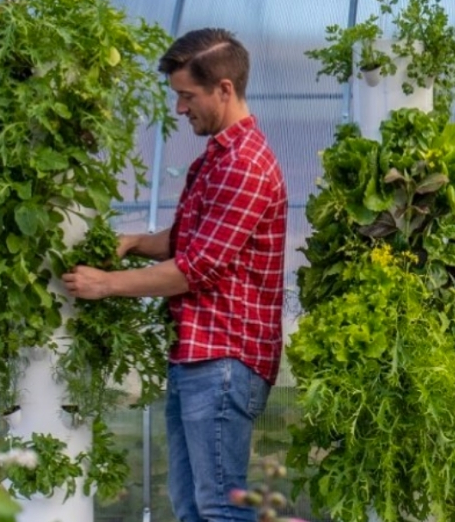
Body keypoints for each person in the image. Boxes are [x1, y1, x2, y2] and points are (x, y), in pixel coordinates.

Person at [63, 28, 288, 522]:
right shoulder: (217, 159)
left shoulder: (246, 165)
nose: (180, 109)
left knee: (220, 507)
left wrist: (105, 284)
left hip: (225, 356)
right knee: (190, 507)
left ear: (224, 89)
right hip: (198, 353)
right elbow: (190, 238)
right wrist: (132, 243)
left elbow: (197, 267)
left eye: (188, 96)